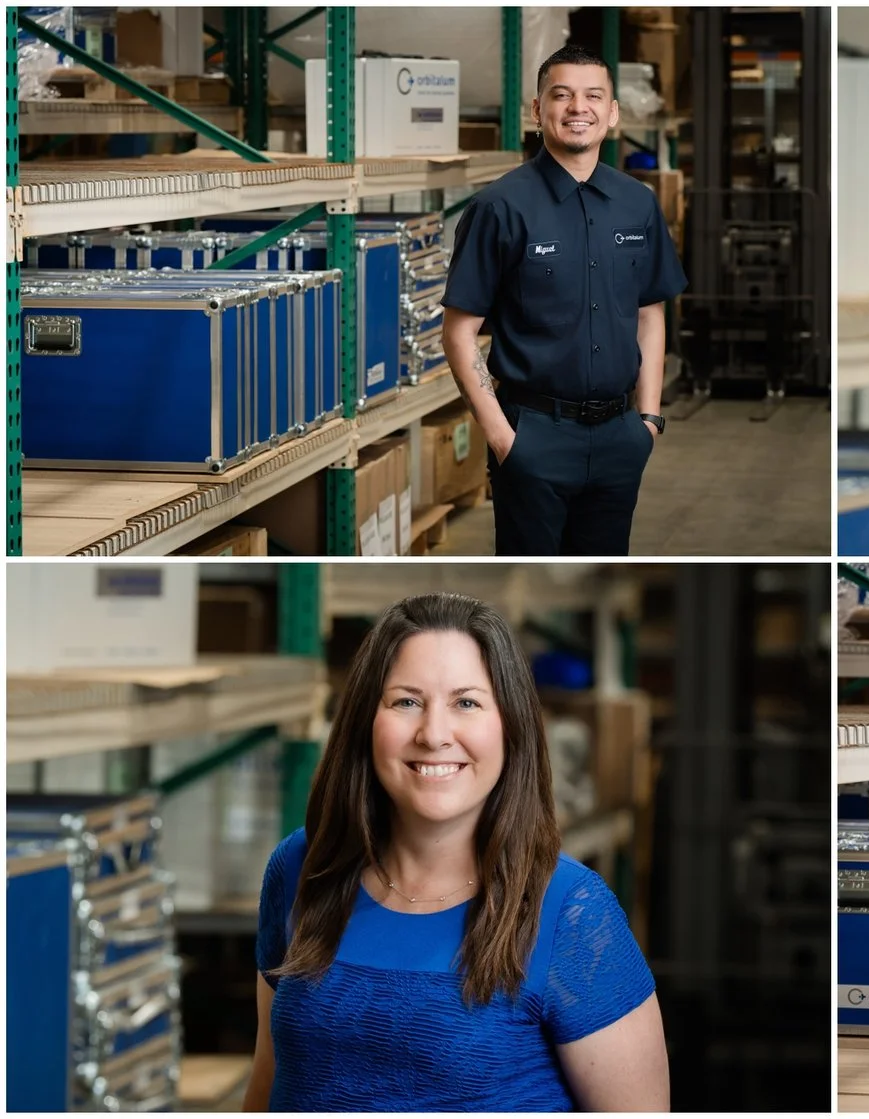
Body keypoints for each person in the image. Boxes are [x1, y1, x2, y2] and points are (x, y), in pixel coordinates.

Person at [245, 593, 668, 1111]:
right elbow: (268, 1085)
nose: (434, 734)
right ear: (363, 721)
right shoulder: (302, 870)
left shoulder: (569, 913)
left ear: (510, 726)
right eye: (406, 701)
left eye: (466, 702)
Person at [444, 45, 688, 557]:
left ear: (613, 112)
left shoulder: (637, 203)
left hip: (621, 436)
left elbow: (650, 314)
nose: (579, 107)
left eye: (594, 95)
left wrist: (648, 421)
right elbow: (460, 330)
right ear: (538, 110)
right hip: (533, 435)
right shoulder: (500, 207)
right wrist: (503, 439)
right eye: (562, 95)